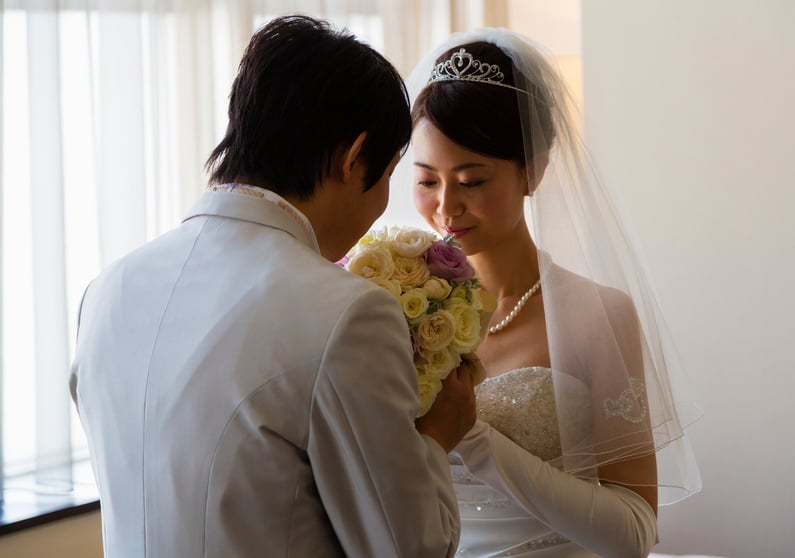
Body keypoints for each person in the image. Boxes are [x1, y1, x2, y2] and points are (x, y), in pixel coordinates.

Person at [69, 15, 477, 557]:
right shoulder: (347, 313)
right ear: (352, 157)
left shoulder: (107, 290)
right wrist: (436, 438)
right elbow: (409, 547)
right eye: (389, 176)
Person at [403, 28, 702, 557]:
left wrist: (474, 441)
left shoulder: (598, 315)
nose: (446, 209)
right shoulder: (398, 308)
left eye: (472, 181)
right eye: (427, 181)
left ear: (533, 172)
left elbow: (634, 531)